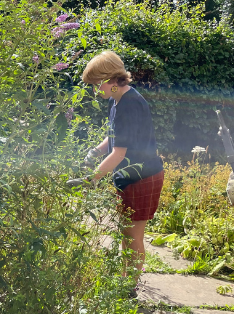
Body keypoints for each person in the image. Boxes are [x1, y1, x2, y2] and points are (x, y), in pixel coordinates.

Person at [70, 50, 165, 298]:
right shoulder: (118, 100)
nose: (94, 91)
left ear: (111, 80)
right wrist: (95, 151)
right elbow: (114, 138)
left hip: (142, 177)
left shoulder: (130, 104)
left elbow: (119, 154)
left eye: (95, 85)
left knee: (133, 236)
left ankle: (128, 289)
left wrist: (92, 178)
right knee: (125, 230)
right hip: (128, 177)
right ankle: (124, 279)